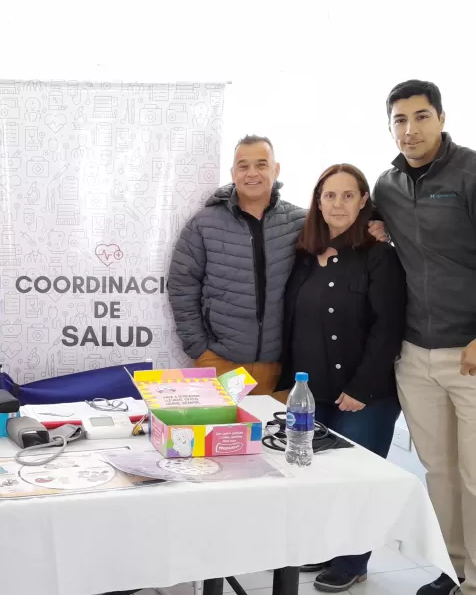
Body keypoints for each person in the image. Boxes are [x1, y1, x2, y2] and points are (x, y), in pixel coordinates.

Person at [278, 163, 406, 592]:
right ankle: (327, 548)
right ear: (317, 201)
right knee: (321, 477)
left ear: (363, 201)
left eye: (348, 195)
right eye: (329, 195)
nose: (337, 204)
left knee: (358, 480)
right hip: (313, 394)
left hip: (364, 395)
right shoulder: (303, 256)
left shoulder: (379, 256)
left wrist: (361, 388)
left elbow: (388, 327)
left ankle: (353, 560)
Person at [372, 79, 476, 595]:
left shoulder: (471, 172)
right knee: (438, 471)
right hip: (415, 352)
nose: (409, 130)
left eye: (420, 117)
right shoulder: (386, 186)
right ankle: (451, 567)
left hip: (471, 352)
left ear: (440, 117)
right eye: (399, 120)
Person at [168, 135, 306, 398]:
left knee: (271, 438)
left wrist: (377, 225)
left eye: (261, 165)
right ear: (233, 173)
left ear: (276, 170)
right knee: (218, 439)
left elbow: (345, 229)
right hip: (220, 363)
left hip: (282, 369)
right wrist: (199, 348)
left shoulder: (301, 222)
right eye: (243, 166)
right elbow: (181, 284)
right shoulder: (204, 224)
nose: (252, 173)